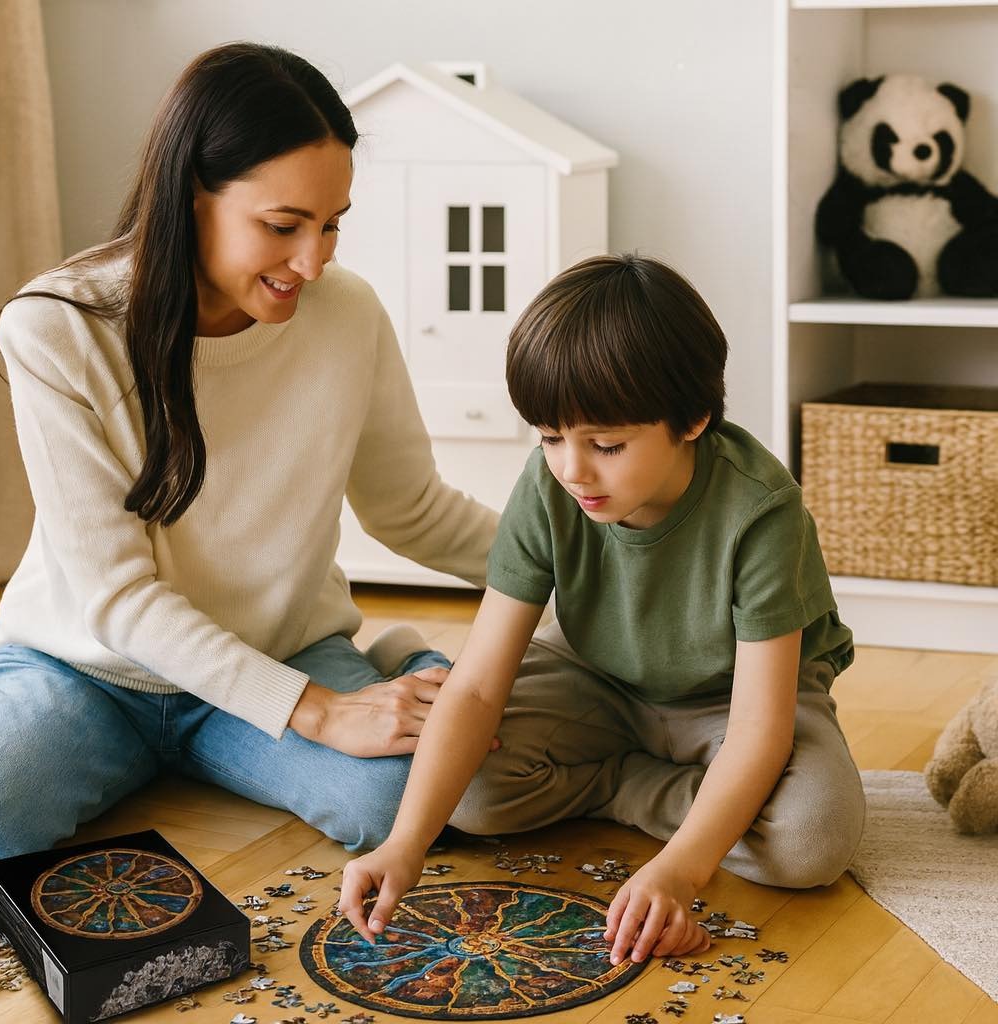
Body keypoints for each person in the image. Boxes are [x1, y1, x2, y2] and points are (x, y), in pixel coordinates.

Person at [0, 42, 499, 877]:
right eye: (283, 226)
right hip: (90, 670)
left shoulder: (347, 315)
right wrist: (320, 716)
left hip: (282, 650)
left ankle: (404, 664)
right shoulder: (57, 328)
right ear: (190, 198)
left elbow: (413, 509)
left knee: (406, 802)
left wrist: (584, 563)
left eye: (332, 225)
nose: (314, 262)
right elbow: (116, 597)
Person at [339, 253, 865, 964]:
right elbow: (478, 684)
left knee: (810, 840)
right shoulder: (551, 485)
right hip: (595, 676)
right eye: (551, 437)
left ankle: (628, 786)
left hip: (731, 703)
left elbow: (759, 729)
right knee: (471, 798)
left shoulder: (762, 511)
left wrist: (679, 871)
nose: (572, 469)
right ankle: (638, 783)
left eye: (607, 445)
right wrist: (404, 844)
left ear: (692, 419)